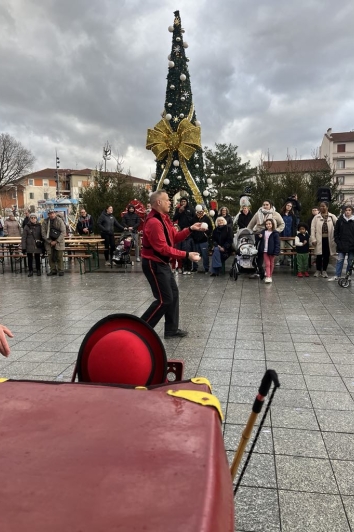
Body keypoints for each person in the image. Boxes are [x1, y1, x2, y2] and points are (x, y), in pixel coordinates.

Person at [141, 190, 202, 338]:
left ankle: (171, 330)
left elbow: (174, 238)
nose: (171, 202)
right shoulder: (154, 222)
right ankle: (140, 329)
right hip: (153, 264)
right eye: (167, 200)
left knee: (173, 295)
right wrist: (186, 255)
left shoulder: (164, 218)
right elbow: (162, 248)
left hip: (162, 263)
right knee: (164, 299)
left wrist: (190, 229)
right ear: (159, 202)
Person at [247, 199, 285, 279]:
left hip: (270, 236)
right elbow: (250, 225)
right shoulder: (258, 213)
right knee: (258, 254)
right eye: (264, 204)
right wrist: (248, 234)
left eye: (267, 204)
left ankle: (268, 273)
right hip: (259, 235)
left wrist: (275, 231)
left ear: (270, 205)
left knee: (270, 253)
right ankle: (259, 271)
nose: (265, 206)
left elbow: (282, 224)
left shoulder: (275, 214)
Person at [310, 202, 337, 278]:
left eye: (323, 206)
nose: (322, 208)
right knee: (319, 255)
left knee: (326, 255)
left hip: (328, 239)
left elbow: (338, 225)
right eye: (320, 206)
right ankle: (318, 270)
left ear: (327, 207)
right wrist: (313, 239)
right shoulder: (316, 217)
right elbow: (312, 229)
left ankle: (324, 270)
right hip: (319, 239)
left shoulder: (332, 216)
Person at [328, 205, 354, 281]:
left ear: (351, 211)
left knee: (350, 261)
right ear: (344, 211)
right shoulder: (340, 221)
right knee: (340, 260)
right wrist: (338, 242)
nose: (347, 211)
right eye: (346, 210)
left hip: (352, 245)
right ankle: (337, 275)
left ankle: (347, 276)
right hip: (342, 244)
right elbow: (336, 233)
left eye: (349, 210)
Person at [173, 197, 195, 274]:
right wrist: (179, 212)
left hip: (189, 231)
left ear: (187, 202)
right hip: (181, 231)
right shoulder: (178, 209)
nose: (183, 203)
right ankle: (182, 267)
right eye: (182, 201)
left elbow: (194, 219)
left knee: (188, 248)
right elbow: (174, 218)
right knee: (182, 249)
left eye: (184, 201)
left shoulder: (191, 209)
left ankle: (188, 268)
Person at [41, 210, 67, 276]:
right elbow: (43, 233)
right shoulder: (45, 222)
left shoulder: (60, 220)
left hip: (59, 242)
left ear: (55, 213)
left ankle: (61, 270)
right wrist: (50, 241)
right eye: (50, 213)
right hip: (49, 242)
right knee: (50, 256)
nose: (52, 215)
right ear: (48, 214)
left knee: (59, 256)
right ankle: (53, 270)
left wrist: (56, 241)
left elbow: (63, 232)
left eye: (53, 213)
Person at [191, 205, 213, 274]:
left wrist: (207, 234)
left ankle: (206, 268)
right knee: (195, 255)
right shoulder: (194, 218)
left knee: (205, 255)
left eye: (201, 211)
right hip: (195, 240)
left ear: (203, 210)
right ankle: (195, 268)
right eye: (198, 211)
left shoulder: (206, 218)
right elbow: (191, 228)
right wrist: (193, 236)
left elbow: (211, 228)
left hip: (203, 240)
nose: (199, 212)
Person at [257, 219, 280, 283]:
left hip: (272, 251)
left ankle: (269, 274)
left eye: (269, 224)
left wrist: (276, 251)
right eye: (267, 224)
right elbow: (258, 239)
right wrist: (259, 237)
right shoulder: (263, 232)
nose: (268, 225)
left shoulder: (275, 233)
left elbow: (277, 243)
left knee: (271, 263)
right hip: (265, 250)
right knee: (267, 263)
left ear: (272, 224)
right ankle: (268, 276)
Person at [278, 201, 297, 265]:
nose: (289, 207)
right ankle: (280, 260)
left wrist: (294, 233)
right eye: (288, 205)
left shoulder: (293, 216)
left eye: (290, 206)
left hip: (290, 233)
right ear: (285, 206)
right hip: (282, 233)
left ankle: (289, 260)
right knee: (281, 247)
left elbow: (295, 225)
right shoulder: (281, 214)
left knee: (289, 248)